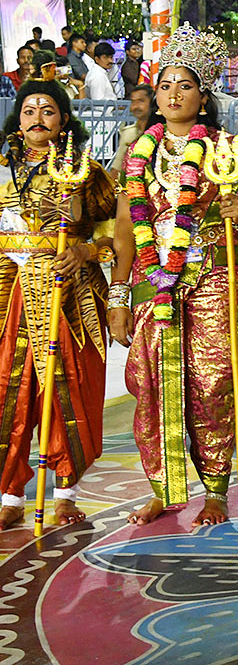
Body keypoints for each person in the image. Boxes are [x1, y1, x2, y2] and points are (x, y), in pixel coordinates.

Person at [108, 24, 238, 527]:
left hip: (214, 277)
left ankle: (215, 488)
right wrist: (119, 293)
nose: (174, 94)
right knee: (150, 382)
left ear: (203, 94)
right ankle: (165, 488)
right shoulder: (137, 154)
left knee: (213, 383)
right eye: (166, 84)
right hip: (155, 278)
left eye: (185, 85)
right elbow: (127, 228)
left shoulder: (229, 149)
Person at [0, 77, 117, 530]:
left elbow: (114, 234)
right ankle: (9, 494)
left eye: (47, 110)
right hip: (9, 292)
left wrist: (85, 252)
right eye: (28, 110)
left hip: (68, 293)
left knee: (70, 388)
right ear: (18, 118)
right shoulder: (2, 167)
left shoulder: (85, 171)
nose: (37, 118)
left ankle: (65, 492)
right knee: (9, 392)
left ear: (64, 120)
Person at [109, 84, 155, 179]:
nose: (135, 106)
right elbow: (117, 167)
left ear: (152, 103)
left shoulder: (161, 132)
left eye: (141, 101)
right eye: (133, 102)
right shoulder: (128, 133)